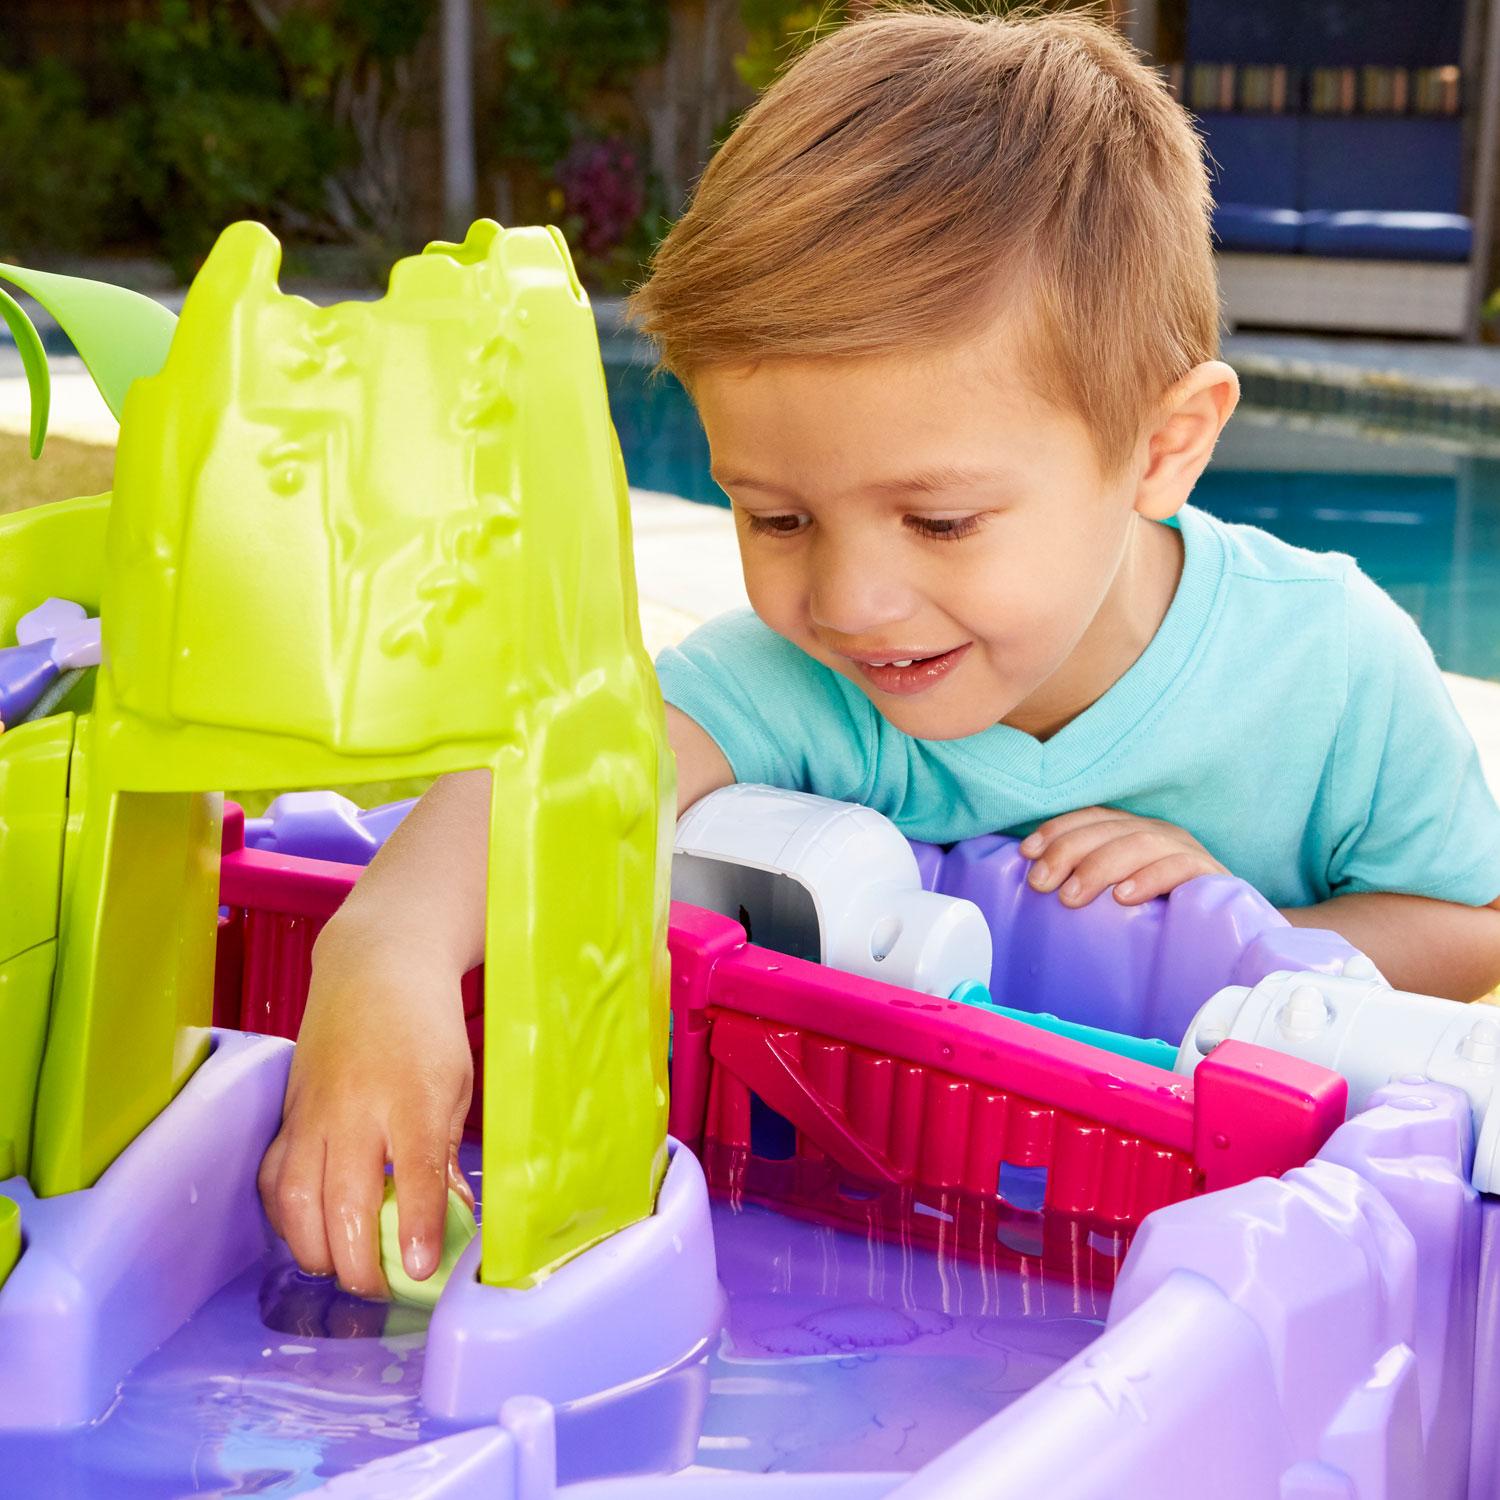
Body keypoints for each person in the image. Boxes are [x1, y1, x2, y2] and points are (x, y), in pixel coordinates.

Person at [258, 4, 1500, 1298]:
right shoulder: (801, 678)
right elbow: (571, 765)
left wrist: (1252, 936)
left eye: (941, 520)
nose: (851, 600)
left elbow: (1468, 925)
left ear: (1160, 448)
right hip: (930, 1240)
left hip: (1245, 1267)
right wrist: (383, 951)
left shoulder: (1331, 663)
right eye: (776, 516)